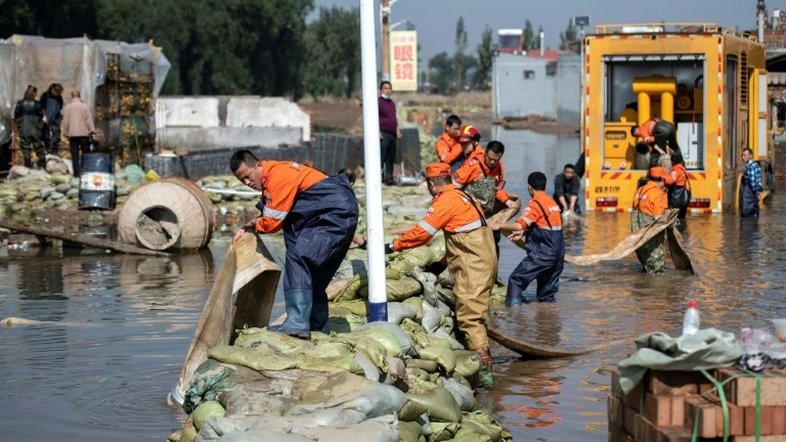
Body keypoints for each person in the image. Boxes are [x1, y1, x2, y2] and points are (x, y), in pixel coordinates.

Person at [386, 163, 497, 386]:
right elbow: (464, 237)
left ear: (431, 183)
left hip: (473, 267)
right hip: (484, 260)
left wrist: (393, 246)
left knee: (469, 317)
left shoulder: (445, 201)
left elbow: (423, 233)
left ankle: (485, 375)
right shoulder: (463, 196)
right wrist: (442, 263)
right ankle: (483, 357)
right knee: (477, 312)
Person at [231, 151, 359, 339]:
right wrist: (252, 224)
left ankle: (297, 324)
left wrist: (253, 225)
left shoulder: (278, 176)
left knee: (298, 257)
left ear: (258, 165)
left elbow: (272, 223)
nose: (247, 182)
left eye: (248, 176)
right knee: (314, 274)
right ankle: (314, 325)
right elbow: (278, 213)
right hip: (337, 214)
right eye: (241, 180)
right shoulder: (276, 177)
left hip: (333, 216)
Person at [492, 172, 564, 305]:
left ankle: (514, 314)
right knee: (546, 295)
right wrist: (525, 232)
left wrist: (498, 225)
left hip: (543, 253)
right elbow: (547, 226)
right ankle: (549, 316)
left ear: (529, 187)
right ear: (544, 186)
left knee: (516, 280)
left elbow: (518, 225)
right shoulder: (551, 202)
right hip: (558, 254)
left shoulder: (535, 204)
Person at [631, 166, 670, 273]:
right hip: (651, 235)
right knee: (657, 270)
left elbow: (635, 209)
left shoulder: (639, 190)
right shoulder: (658, 193)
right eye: (664, 180)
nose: (665, 183)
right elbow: (658, 218)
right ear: (661, 179)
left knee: (646, 264)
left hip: (638, 235)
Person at [62, 91, 96, 177]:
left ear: (72, 96)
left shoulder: (67, 107)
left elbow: (66, 121)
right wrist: (92, 130)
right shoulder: (85, 106)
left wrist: (65, 132)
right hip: (84, 134)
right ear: (79, 96)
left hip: (73, 135)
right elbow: (89, 120)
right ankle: (86, 172)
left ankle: (76, 174)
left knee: (74, 155)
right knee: (86, 154)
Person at [13, 85, 46, 169]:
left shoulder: (20, 103)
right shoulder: (37, 104)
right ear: (33, 93)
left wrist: (19, 125)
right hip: (35, 127)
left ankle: (28, 164)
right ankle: (42, 163)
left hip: (23, 127)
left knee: (25, 146)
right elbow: (41, 115)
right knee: (38, 145)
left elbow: (16, 115)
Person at [378, 81, 401, 185]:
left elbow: (394, 117)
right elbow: (375, 117)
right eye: (385, 88)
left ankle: (389, 177)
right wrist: (378, 132)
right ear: (381, 90)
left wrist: (397, 130)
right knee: (382, 156)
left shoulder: (391, 103)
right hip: (384, 133)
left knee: (390, 157)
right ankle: (379, 177)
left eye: (389, 88)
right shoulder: (378, 102)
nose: (388, 90)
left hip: (392, 133)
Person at [40, 83, 64, 155]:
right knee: (45, 134)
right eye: (57, 92)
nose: (58, 94)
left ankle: (54, 149)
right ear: (52, 90)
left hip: (55, 117)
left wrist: (59, 116)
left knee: (56, 133)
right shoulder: (45, 95)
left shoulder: (59, 98)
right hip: (46, 116)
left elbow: (60, 107)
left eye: (59, 92)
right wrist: (43, 116)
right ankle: (48, 148)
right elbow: (41, 107)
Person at [740, 148, 763, 218]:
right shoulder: (755, 164)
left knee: (747, 212)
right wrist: (758, 193)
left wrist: (755, 193)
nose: (743, 157)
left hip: (749, 193)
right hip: (754, 191)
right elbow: (758, 180)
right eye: (742, 155)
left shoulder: (750, 166)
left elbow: (752, 182)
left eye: (745, 155)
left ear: (751, 156)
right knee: (754, 211)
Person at [668, 153, 691, 220]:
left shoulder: (676, 170)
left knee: (674, 218)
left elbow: (670, 181)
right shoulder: (683, 170)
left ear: (673, 161)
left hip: (676, 198)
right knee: (681, 218)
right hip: (683, 197)